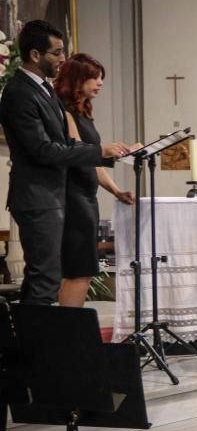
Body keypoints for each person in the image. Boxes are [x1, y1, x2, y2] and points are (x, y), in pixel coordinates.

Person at [0, 20, 130, 305]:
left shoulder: (44, 90)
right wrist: (98, 151)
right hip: (37, 198)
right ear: (35, 55)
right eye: (56, 53)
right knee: (44, 278)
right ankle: (37, 348)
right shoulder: (19, 92)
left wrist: (101, 152)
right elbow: (43, 150)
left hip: (51, 197)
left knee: (48, 275)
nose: (62, 59)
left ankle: (46, 344)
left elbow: (66, 143)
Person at [52, 53, 136, 306]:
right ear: (77, 79)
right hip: (73, 199)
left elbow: (92, 161)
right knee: (79, 270)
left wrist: (116, 191)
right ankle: (68, 332)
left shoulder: (83, 113)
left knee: (84, 270)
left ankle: (70, 330)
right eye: (94, 78)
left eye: (101, 78)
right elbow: (80, 154)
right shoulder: (65, 112)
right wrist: (108, 150)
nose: (100, 83)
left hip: (86, 199)